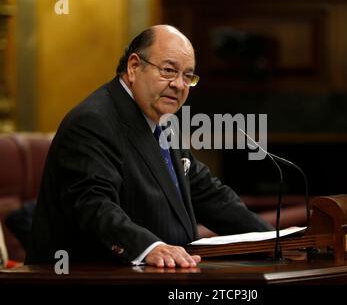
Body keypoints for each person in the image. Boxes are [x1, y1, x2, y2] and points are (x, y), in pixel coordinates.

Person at [27, 25, 273, 268]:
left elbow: (210, 195)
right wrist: (149, 247)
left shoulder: (163, 122)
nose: (179, 84)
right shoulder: (93, 121)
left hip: (165, 274)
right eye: (168, 70)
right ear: (134, 67)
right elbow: (92, 205)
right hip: (86, 277)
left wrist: (275, 240)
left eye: (188, 76)